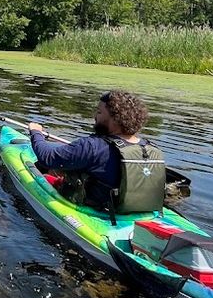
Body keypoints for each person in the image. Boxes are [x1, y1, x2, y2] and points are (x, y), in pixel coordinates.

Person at [28, 90, 166, 215]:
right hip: (138, 211)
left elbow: (46, 157)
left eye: (99, 112)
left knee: (46, 174)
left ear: (116, 118)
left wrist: (36, 132)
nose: (95, 116)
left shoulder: (92, 146)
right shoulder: (149, 148)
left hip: (99, 211)